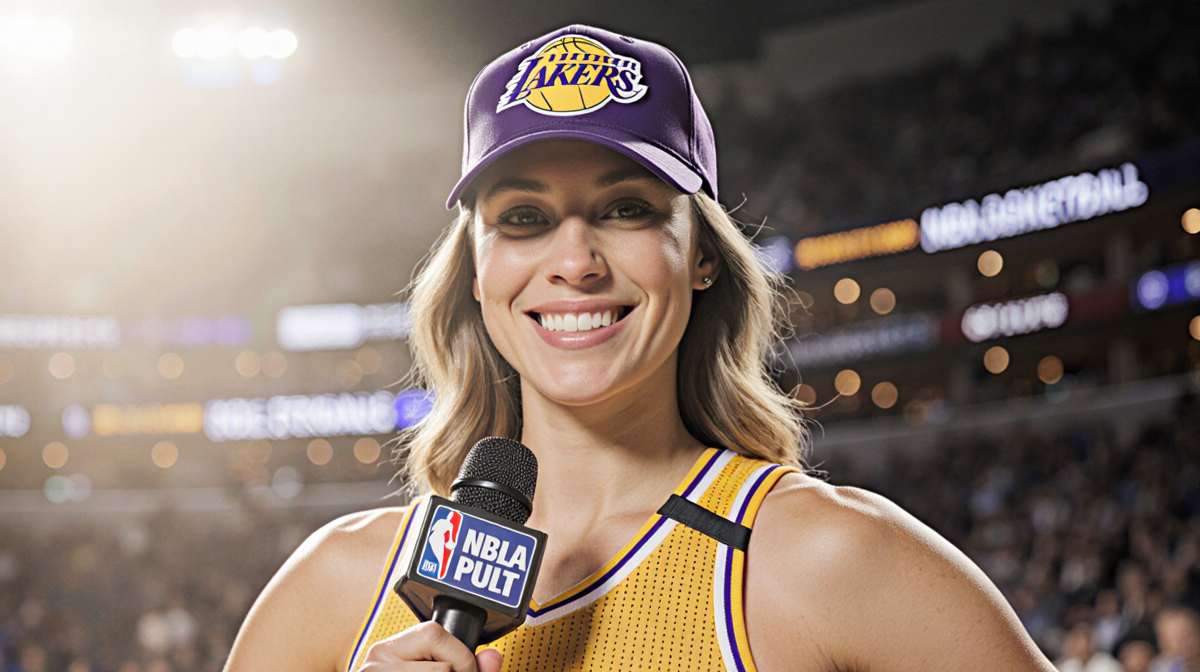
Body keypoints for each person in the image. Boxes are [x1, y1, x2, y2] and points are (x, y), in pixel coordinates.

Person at [224, 24, 1056, 672]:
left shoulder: (831, 560)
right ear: (478, 271)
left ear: (700, 256)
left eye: (626, 208)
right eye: (523, 218)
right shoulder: (336, 587)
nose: (576, 262)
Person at [1055, 623, 1124, 672]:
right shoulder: (1071, 665)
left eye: (1077, 639)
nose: (1072, 644)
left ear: (1089, 642)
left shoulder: (1107, 665)